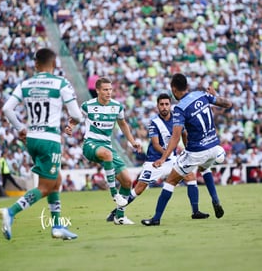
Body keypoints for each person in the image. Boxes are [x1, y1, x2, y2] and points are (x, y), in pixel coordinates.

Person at [0, 48, 83, 240]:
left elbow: (7, 109)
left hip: (32, 139)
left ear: (36, 64)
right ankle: (10, 212)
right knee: (45, 187)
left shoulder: (26, 84)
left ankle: (57, 226)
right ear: (54, 64)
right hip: (49, 140)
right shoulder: (60, 83)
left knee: (57, 181)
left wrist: (20, 128)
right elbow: (76, 115)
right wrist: (73, 123)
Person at [142, 73, 232, 226]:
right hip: (215, 147)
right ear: (187, 86)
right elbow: (228, 104)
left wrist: (163, 158)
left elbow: (176, 137)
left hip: (196, 152)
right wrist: (214, 95)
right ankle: (215, 200)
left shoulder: (180, 108)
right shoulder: (202, 94)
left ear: (174, 89)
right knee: (205, 168)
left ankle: (156, 218)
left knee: (170, 181)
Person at [106, 93, 210, 222]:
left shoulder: (177, 119)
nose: (164, 107)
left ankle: (195, 211)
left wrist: (187, 150)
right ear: (157, 106)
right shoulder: (154, 123)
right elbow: (155, 145)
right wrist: (165, 155)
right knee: (139, 188)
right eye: (162, 104)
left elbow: (184, 134)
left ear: (170, 105)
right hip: (154, 161)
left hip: (171, 159)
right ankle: (117, 211)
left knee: (190, 176)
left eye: (167, 104)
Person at [67, 77, 142, 225]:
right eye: (105, 90)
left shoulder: (117, 107)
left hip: (107, 147)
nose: (109, 92)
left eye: (110, 89)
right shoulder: (87, 106)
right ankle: (114, 194)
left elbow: (123, 124)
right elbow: (75, 119)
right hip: (90, 145)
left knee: (127, 181)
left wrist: (132, 142)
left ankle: (119, 216)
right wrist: (70, 126)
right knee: (107, 154)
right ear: (98, 91)